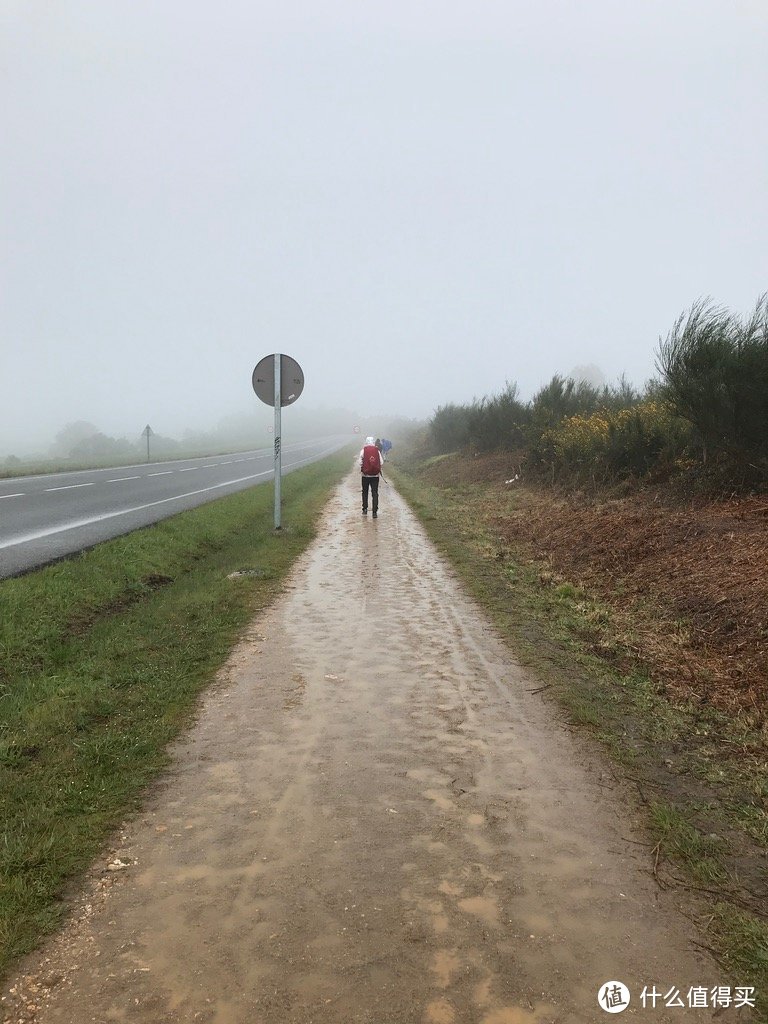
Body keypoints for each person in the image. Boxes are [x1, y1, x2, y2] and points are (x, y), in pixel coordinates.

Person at [359, 435, 383, 518]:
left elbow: (360, 462)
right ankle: (374, 512)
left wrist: (364, 468)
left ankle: (365, 509)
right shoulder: (377, 451)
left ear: (366, 441)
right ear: (373, 442)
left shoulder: (363, 450)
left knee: (365, 492)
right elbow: (381, 462)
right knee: (375, 493)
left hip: (365, 475)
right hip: (375, 476)